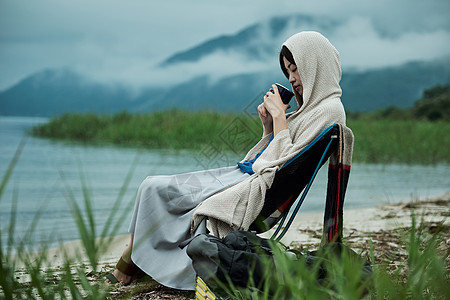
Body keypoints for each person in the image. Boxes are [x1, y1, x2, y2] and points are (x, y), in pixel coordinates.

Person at [106, 31, 347, 290]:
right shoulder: (308, 111)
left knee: (157, 188)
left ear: (315, 64)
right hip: (247, 178)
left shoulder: (329, 112)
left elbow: (281, 170)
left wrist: (280, 120)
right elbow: (272, 159)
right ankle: (137, 257)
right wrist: (268, 129)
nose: (291, 79)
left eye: (295, 69)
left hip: (258, 192)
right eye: (288, 71)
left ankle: (131, 261)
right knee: (151, 186)